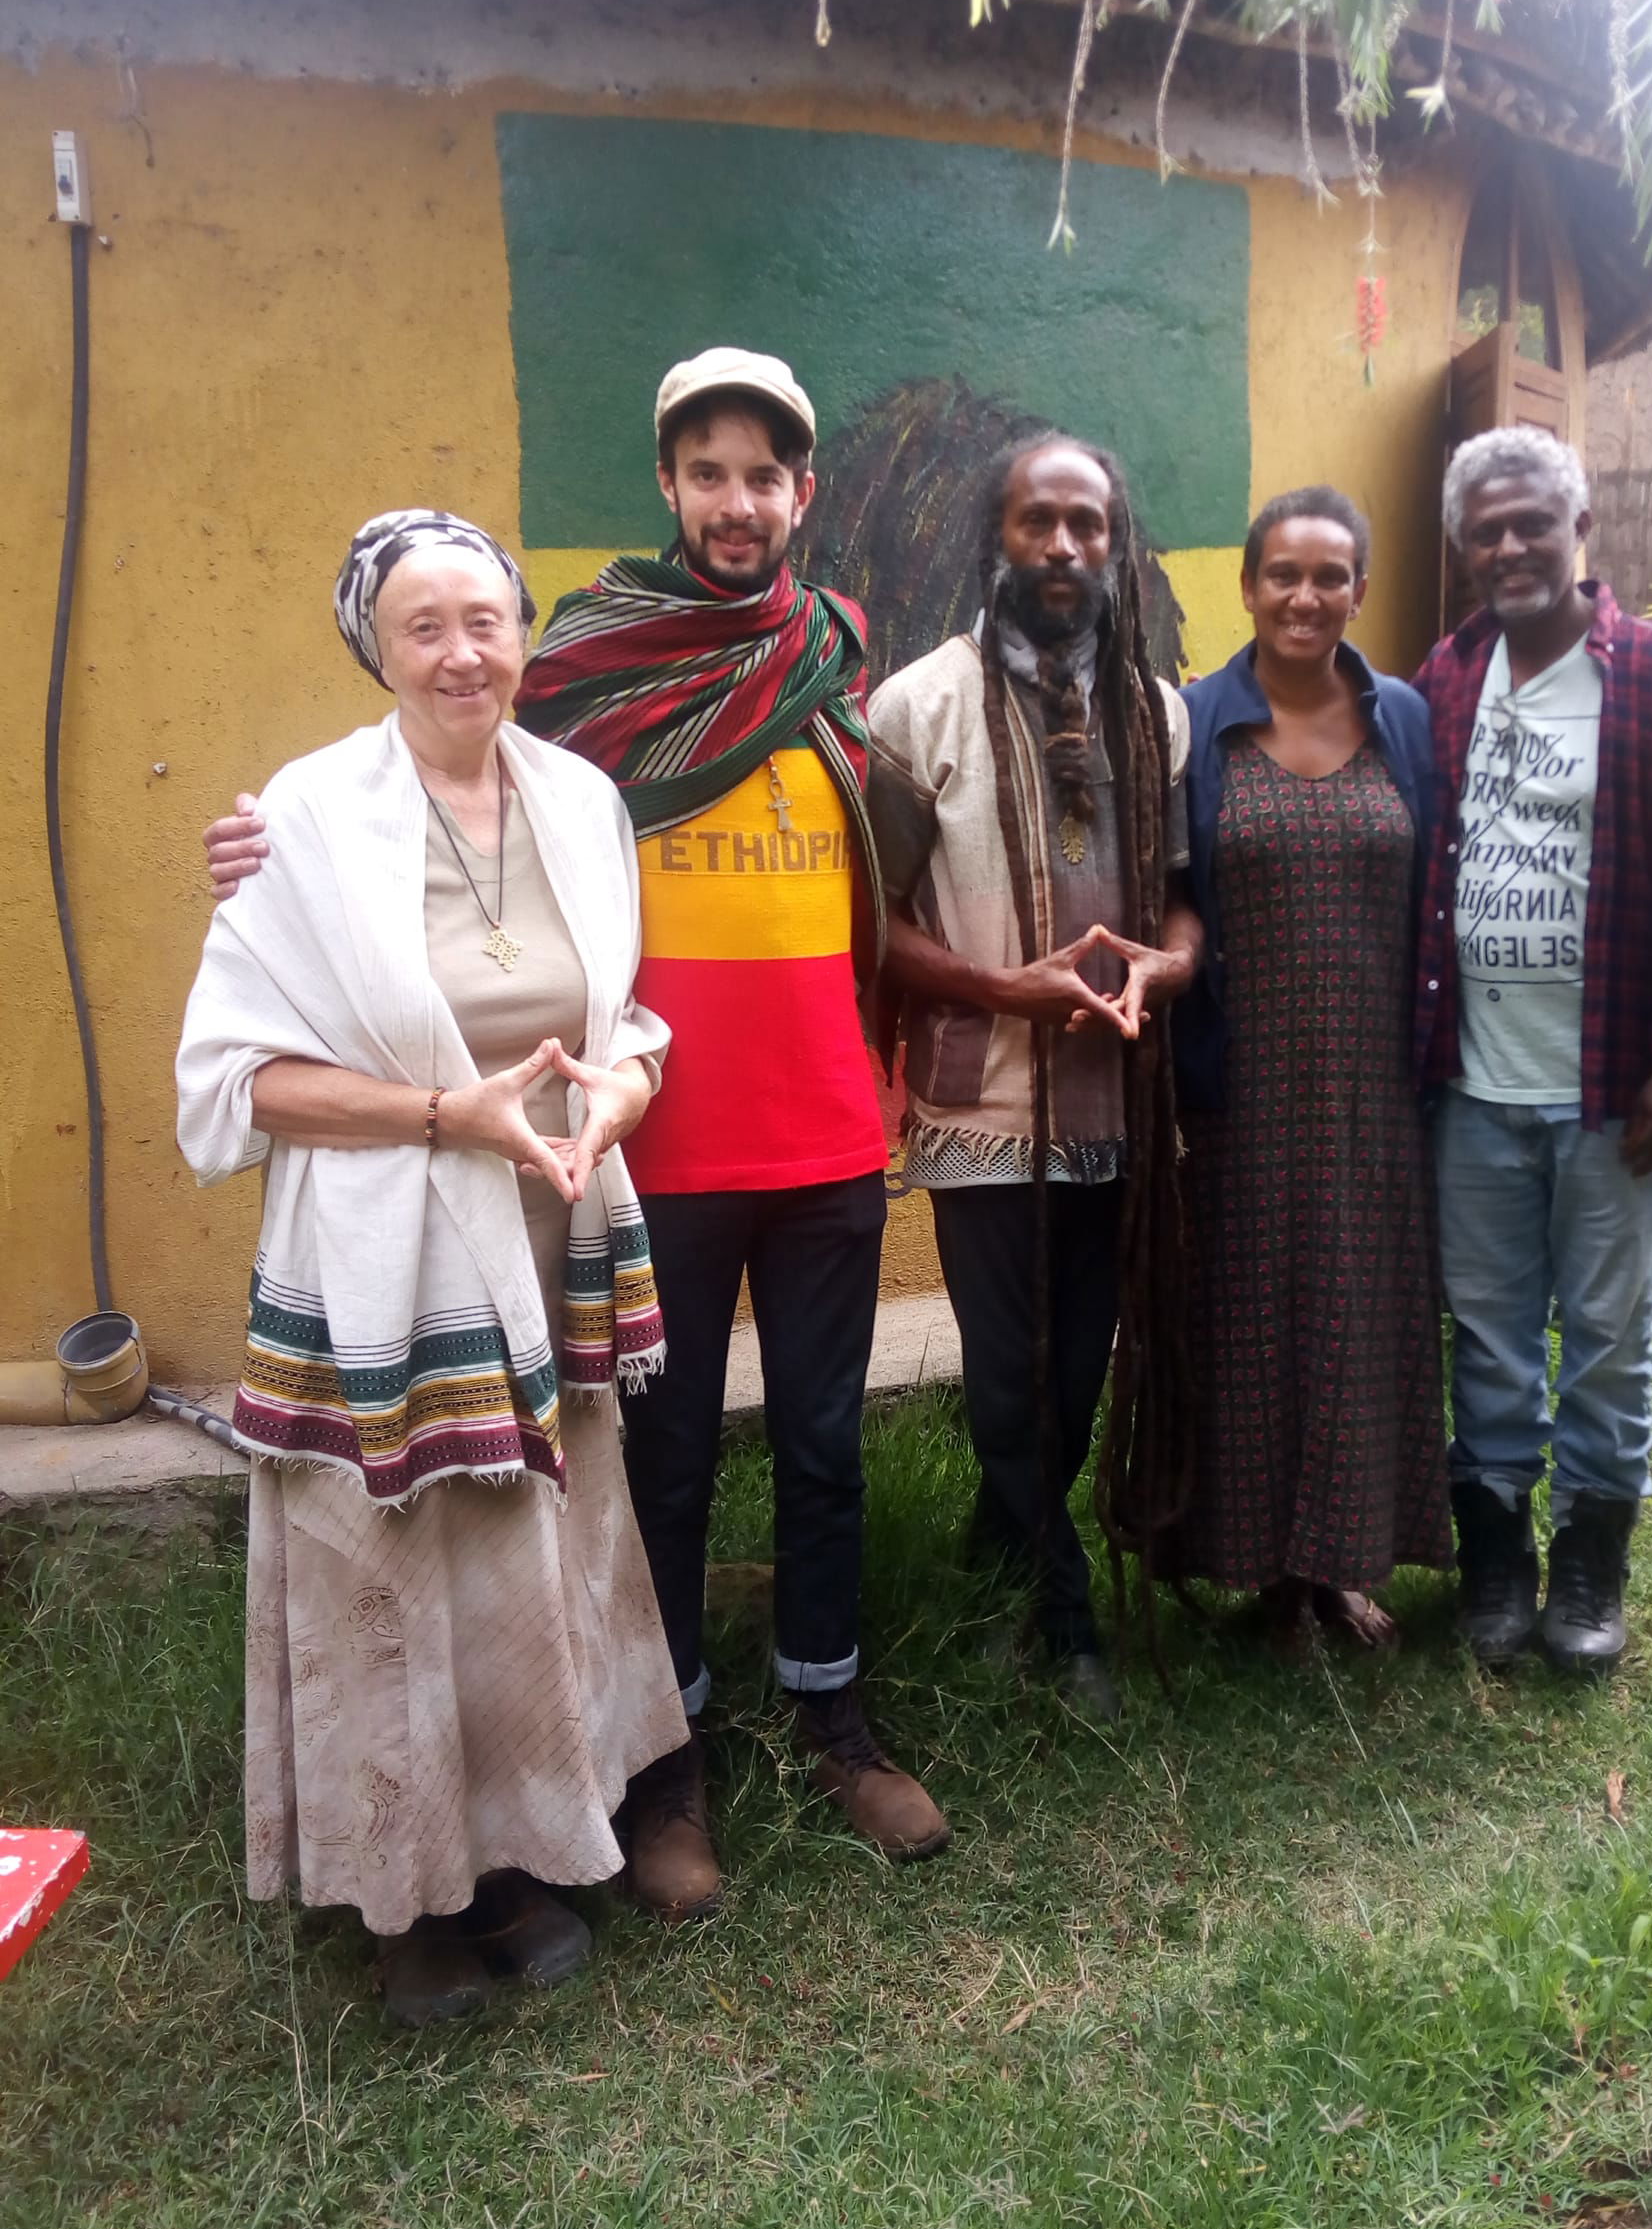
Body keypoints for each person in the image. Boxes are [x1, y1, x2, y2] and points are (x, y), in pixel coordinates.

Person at [203, 350, 950, 1922]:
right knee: (655, 1469)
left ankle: (835, 1715)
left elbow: (888, 866)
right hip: (650, 1147)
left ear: (799, 494)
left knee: (825, 1444)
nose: (737, 500)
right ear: (667, 486)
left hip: (822, 1130)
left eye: (766, 473)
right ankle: (666, 1761)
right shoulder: (594, 667)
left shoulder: (833, 662)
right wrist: (269, 846)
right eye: (707, 470)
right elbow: (417, 795)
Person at [177, 511, 685, 2027]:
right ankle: (403, 1898)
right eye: (425, 625)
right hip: (383, 1259)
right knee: (388, 1566)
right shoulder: (307, 818)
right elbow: (231, 1080)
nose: (464, 650)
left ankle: (518, 1857)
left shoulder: (581, 796)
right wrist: (438, 1112)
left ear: (526, 632)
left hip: (546, 1236)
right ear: (375, 646)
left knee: (530, 1561)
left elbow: (622, 1017)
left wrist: (619, 1091)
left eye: (488, 617)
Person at [866, 434, 1202, 1721]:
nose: (1061, 548)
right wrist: (1005, 987)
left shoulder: (1155, 713)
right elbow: (875, 919)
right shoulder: (917, 706)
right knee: (1008, 1370)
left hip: (1119, 1102)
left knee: (1075, 1371)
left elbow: (1179, 908)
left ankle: (1003, 1541)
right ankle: (1064, 1622)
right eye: (1035, 523)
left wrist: (1165, 974)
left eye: (1085, 525)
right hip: (984, 1103)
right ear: (994, 539)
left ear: (1114, 545)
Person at [1415, 428, 1652, 1675]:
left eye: (1530, 523)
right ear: (1463, 546)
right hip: (1473, 1085)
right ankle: (1495, 1561)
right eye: (1486, 529)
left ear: (1577, 527)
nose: (1508, 546)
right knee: (1489, 1335)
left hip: (1609, 1089)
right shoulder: (1443, 680)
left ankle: (1591, 1568)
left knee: (1607, 1335)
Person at [1173, 488, 1453, 1653]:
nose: (1303, 595)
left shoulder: (1405, 722)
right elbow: (1174, 892)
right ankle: (1257, 1571)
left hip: (1376, 1090)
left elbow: (1432, 888)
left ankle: (1338, 1567)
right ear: (1246, 587)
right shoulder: (1197, 726)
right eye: (1281, 573)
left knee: (1356, 1313)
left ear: (1358, 591)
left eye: (1328, 576)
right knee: (1246, 1319)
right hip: (1241, 1089)